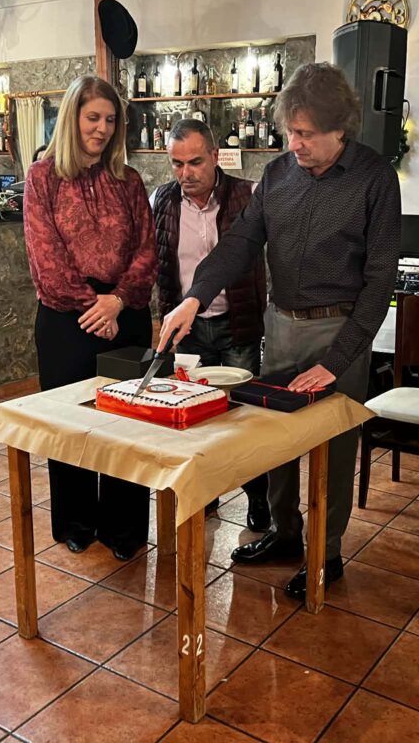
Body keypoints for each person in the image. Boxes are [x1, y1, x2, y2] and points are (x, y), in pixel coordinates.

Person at [158, 63, 401, 599]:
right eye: (290, 131)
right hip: (281, 323)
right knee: (275, 439)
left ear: (340, 128)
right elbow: (241, 243)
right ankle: (286, 532)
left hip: (341, 328)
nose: (295, 144)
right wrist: (195, 297)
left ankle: (326, 552)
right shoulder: (277, 174)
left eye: (306, 134)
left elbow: (381, 279)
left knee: (334, 447)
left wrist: (336, 361)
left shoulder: (374, 178)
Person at [24, 75, 157, 561]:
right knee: (72, 425)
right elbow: (45, 257)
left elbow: (148, 250)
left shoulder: (129, 180)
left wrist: (116, 301)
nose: (102, 128)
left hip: (126, 313)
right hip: (67, 321)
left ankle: (125, 528)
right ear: (71, 118)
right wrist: (93, 306)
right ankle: (76, 522)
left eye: (110, 120)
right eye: (93, 118)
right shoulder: (42, 178)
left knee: (127, 426)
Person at [150, 118, 270, 530]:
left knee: (244, 420)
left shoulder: (248, 196)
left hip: (237, 324)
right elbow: (158, 265)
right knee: (194, 417)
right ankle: (205, 493)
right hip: (188, 331)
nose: (186, 173)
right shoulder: (161, 201)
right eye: (177, 163)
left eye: (196, 162)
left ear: (216, 156)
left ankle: (258, 499)